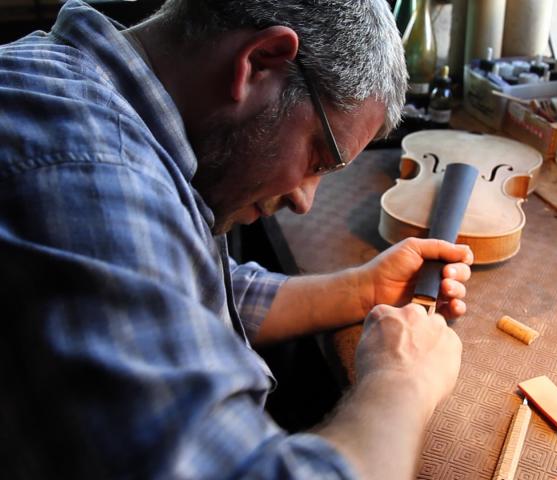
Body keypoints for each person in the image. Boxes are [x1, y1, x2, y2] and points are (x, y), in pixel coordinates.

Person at [0, 0, 473, 478]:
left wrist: (360, 291)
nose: (305, 200)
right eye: (320, 159)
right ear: (260, 63)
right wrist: (402, 378)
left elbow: (178, 290)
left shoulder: (84, 92)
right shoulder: (87, 172)